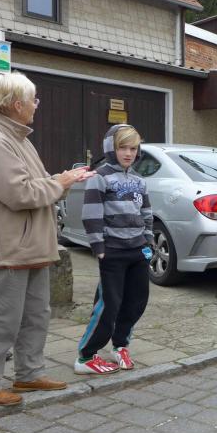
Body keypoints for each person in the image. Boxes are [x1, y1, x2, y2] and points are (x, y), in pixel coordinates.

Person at [0, 72, 93, 406]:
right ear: (15, 104)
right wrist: (60, 183)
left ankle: (29, 374)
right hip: (10, 249)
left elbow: (37, 184)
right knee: (2, 320)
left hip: (33, 246)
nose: (36, 105)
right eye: (32, 100)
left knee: (36, 315)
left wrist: (62, 179)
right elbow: (19, 193)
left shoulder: (20, 139)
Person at [76, 125, 153, 375]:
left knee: (136, 302)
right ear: (111, 148)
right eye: (122, 148)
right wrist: (99, 247)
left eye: (133, 148)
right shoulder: (100, 177)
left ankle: (120, 346)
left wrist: (148, 242)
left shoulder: (139, 181)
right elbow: (91, 214)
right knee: (109, 305)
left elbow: (146, 214)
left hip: (138, 251)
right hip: (112, 252)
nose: (128, 153)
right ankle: (86, 356)